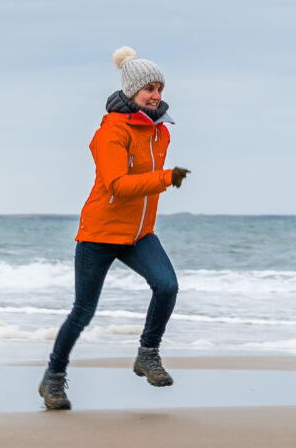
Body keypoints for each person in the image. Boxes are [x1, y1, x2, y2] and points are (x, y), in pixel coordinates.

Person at [39, 47, 189, 410]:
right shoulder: (111, 132)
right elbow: (117, 185)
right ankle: (53, 378)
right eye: (149, 89)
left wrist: (161, 180)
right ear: (132, 91)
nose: (156, 95)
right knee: (83, 312)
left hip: (138, 234)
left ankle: (147, 353)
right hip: (99, 234)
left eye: (159, 88)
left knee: (167, 286)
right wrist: (165, 178)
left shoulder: (160, 132)